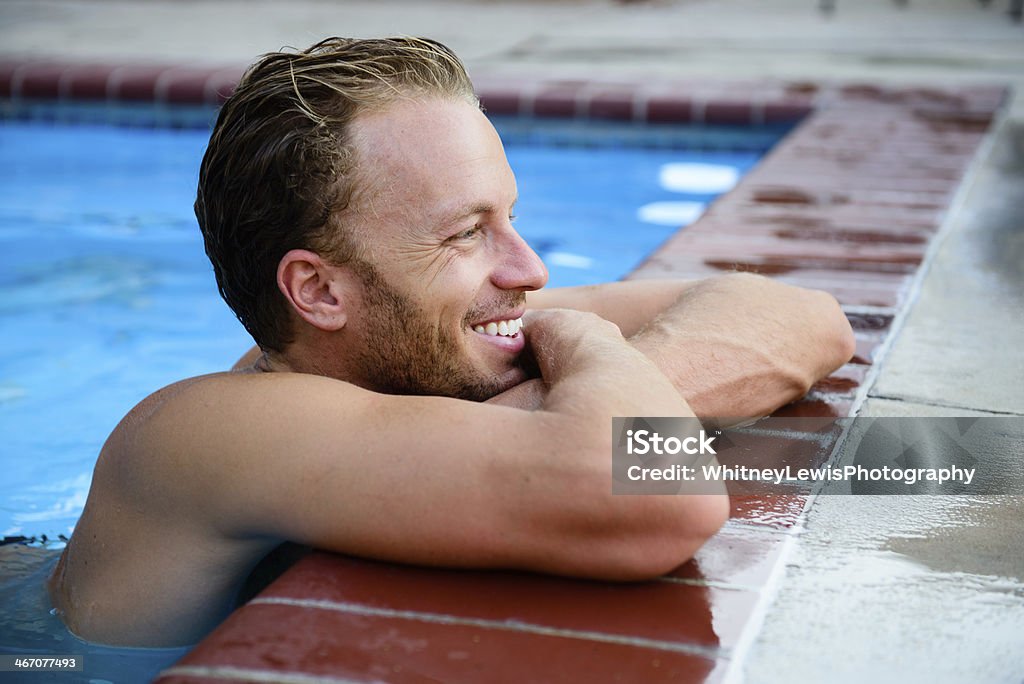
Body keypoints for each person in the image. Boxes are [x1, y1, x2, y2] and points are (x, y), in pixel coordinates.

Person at [47, 37, 855, 648]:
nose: (530, 269)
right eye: (468, 233)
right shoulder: (210, 428)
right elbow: (656, 493)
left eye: (509, 216)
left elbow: (804, 317)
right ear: (321, 290)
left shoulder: (426, 331)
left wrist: (566, 406)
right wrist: (577, 347)